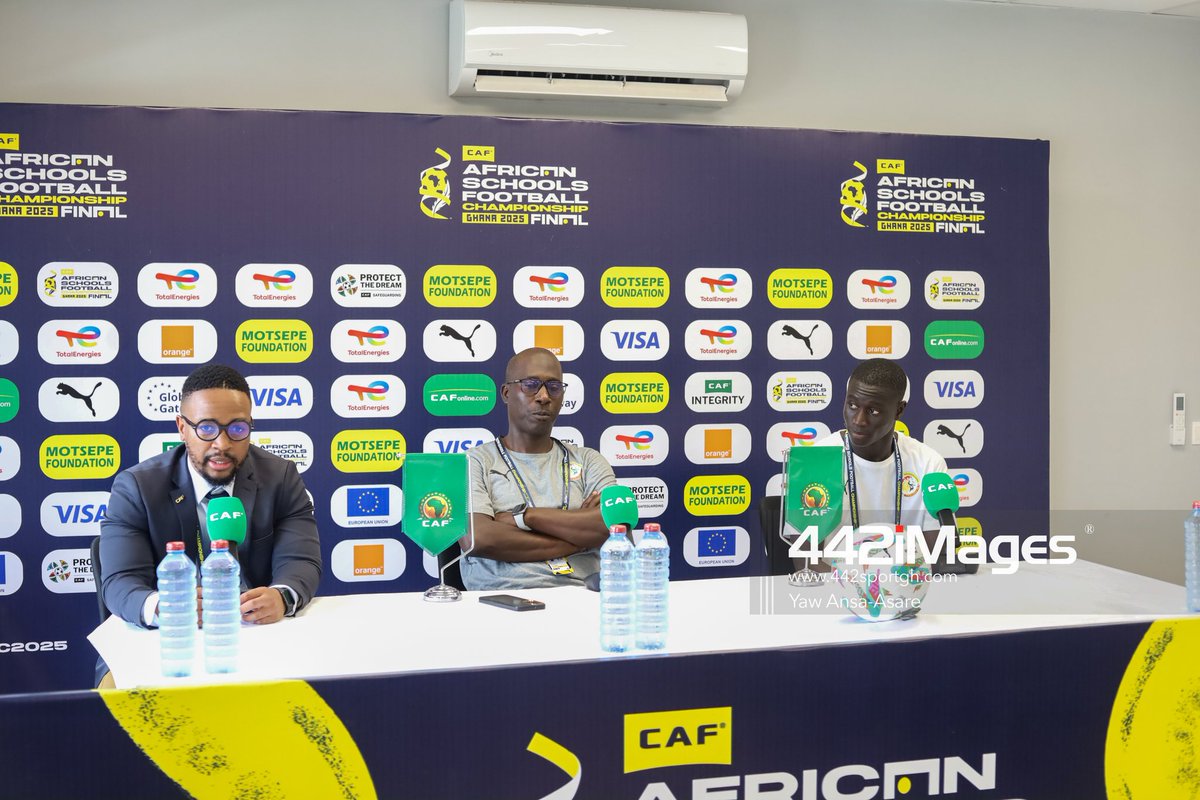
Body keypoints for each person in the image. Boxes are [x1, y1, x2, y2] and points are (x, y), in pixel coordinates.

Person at [98, 364, 322, 681]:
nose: (222, 443)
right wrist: (166, 607)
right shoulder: (137, 487)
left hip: (259, 637)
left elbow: (301, 561)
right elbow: (120, 582)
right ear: (182, 427)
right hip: (164, 642)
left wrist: (282, 597)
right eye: (206, 428)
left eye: (237, 429)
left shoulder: (280, 478)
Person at [460, 347, 617, 591]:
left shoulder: (589, 461)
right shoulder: (474, 462)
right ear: (506, 393)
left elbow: (610, 527)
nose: (543, 395)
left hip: (584, 596)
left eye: (554, 386)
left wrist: (523, 517)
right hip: (503, 599)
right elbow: (479, 539)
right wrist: (579, 539)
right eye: (530, 384)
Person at [815, 358, 949, 537]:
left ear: (899, 410)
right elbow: (806, 560)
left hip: (908, 566)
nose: (858, 420)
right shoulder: (815, 461)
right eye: (853, 405)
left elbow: (939, 556)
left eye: (873, 411)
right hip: (837, 566)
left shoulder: (929, 464)